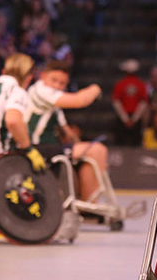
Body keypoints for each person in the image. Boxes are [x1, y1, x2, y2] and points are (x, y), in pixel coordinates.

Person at [26, 60, 107, 202]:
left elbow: (67, 133)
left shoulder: (53, 102)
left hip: (50, 147)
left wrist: (80, 144)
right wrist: (96, 88)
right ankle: (89, 205)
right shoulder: (40, 91)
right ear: (43, 76)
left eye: (62, 83)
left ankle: (85, 202)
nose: (57, 86)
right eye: (54, 80)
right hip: (36, 148)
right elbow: (80, 100)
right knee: (97, 151)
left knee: (90, 152)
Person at [112, 59, 148, 146]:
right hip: (135, 118)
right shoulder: (141, 84)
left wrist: (126, 119)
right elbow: (143, 103)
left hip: (124, 118)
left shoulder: (120, 84)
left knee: (121, 143)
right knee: (135, 143)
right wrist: (134, 119)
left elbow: (116, 102)